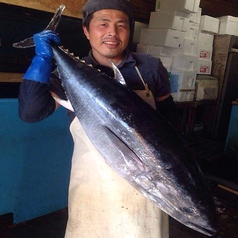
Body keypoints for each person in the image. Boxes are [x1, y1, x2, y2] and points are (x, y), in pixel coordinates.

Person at [18, 0, 175, 237]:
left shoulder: (151, 68)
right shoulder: (65, 76)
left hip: (148, 190)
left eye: (121, 25)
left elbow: (170, 121)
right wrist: (41, 60)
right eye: (103, 24)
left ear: (129, 30)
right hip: (93, 191)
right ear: (86, 30)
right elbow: (30, 113)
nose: (112, 32)